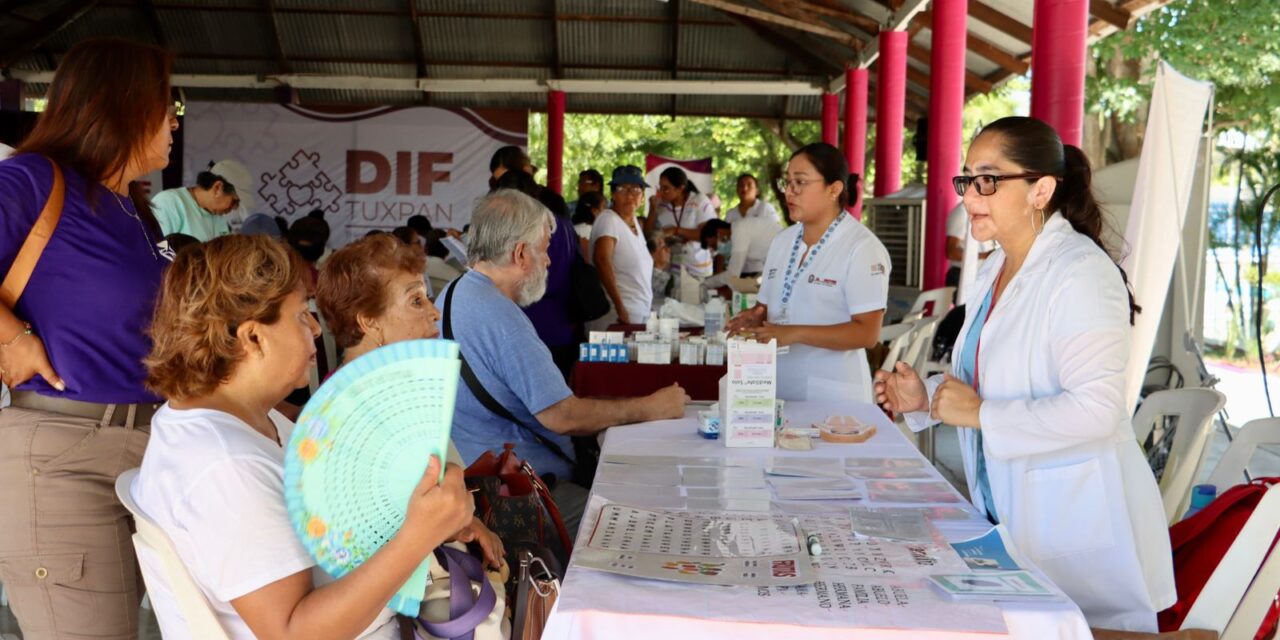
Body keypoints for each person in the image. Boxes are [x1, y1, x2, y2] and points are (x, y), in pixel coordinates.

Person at [873, 116, 1174, 632]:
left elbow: (1098, 412)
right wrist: (924, 402)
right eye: (966, 179)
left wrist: (982, 413)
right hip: (1003, 515)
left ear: (1041, 190)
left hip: (1072, 525)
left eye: (989, 180)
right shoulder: (995, 267)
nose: (970, 196)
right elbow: (984, 389)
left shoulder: (1080, 272)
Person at [133, 235, 475, 639]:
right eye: (301, 315)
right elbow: (294, 633)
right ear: (252, 337)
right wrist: (420, 535)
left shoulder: (244, 423)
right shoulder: (225, 465)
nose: (315, 329)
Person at [0, 38, 176, 640]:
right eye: (165, 103)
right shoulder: (33, 180)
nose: (174, 118)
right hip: (65, 452)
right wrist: (15, 335)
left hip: (157, 451)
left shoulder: (136, 212)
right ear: (124, 105)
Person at [438, 190, 689, 535]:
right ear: (521, 253)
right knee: (638, 526)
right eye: (544, 249)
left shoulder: (451, 292)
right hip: (519, 493)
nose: (549, 260)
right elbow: (561, 415)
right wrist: (651, 406)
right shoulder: (501, 316)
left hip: (475, 479)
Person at [315, 233, 503, 562]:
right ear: (369, 321)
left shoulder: (378, 391)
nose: (434, 312)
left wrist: (465, 522)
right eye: (416, 301)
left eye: (427, 298)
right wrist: (461, 524)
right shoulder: (357, 409)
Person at [727, 143, 890, 403]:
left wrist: (794, 332)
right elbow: (767, 307)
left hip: (834, 394)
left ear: (834, 189)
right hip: (776, 387)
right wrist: (756, 317)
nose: (789, 192)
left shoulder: (861, 248)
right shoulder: (782, 241)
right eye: (787, 182)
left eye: (800, 182)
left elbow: (867, 334)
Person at [491, 168, 581, 380]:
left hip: (534, 324)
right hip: (563, 324)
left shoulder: (533, 229)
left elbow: (527, 279)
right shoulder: (564, 224)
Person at [590, 166, 654, 326]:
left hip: (637, 312)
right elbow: (602, 261)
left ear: (643, 196)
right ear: (612, 194)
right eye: (622, 189)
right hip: (618, 316)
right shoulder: (609, 220)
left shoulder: (635, 223)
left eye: (636, 189)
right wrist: (620, 307)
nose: (630, 195)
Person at [151, 158, 253, 241]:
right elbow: (154, 252)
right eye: (235, 201)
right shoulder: (170, 203)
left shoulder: (218, 217)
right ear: (217, 188)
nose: (235, 208)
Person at [646, 166, 717, 277]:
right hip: (672, 271)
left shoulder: (699, 201)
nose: (661, 192)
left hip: (698, 271)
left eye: (666, 188)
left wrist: (675, 230)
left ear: (680, 189)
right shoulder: (662, 206)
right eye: (660, 188)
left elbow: (709, 236)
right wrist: (652, 211)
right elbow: (648, 236)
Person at [945, 202, 996, 287]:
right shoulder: (963, 211)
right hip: (961, 276)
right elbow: (951, 252)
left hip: (979, 275)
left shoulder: (985, 211)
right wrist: (985, 255)